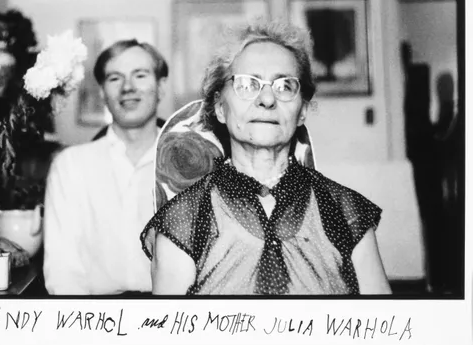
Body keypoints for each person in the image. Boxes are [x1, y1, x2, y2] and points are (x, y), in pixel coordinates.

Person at [141, 20, 391, 295]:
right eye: (248, 84)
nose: (267, 99)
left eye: (284, 86)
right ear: (221, 108)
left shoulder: (347, 213)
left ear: (302, 111)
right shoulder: (183, 221)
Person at [44, 39, 168, 295]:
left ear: (161, 86)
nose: (128, 87)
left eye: (140, 75)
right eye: (115, 78)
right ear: (102, 92)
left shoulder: (191, 165)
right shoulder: (70, 167)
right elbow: (62, 273)